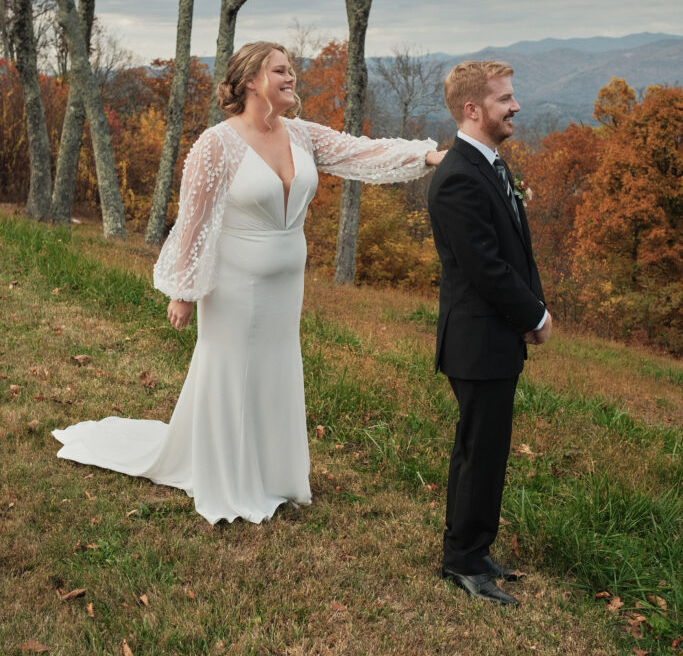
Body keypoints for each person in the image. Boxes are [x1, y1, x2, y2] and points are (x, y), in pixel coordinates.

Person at [54, 41, 443, 524]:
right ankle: (227, 479)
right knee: (230, 367)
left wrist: (428, 157)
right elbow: (193, 224)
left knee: (276, 367)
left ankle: (273, 475)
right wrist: (185, 292)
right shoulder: (216, 144)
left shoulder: (303, 136)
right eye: (280, 70)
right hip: (234, 285)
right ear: (250, 81)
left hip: (285, 285)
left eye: (292, 70)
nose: (291, 77)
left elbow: (362, 152)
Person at [427, 60, 551, 606]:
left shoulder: (492, 166)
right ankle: (462, 559)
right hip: (476, 339)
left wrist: (534, 305)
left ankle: (474, 547)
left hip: (495, 336)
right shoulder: (457, 177)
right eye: (505, 99)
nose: (515, 106)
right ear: (473, 110)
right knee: (480, 448)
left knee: (486, 446)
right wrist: (535, 316)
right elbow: (485, 268)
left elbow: (516, 251)